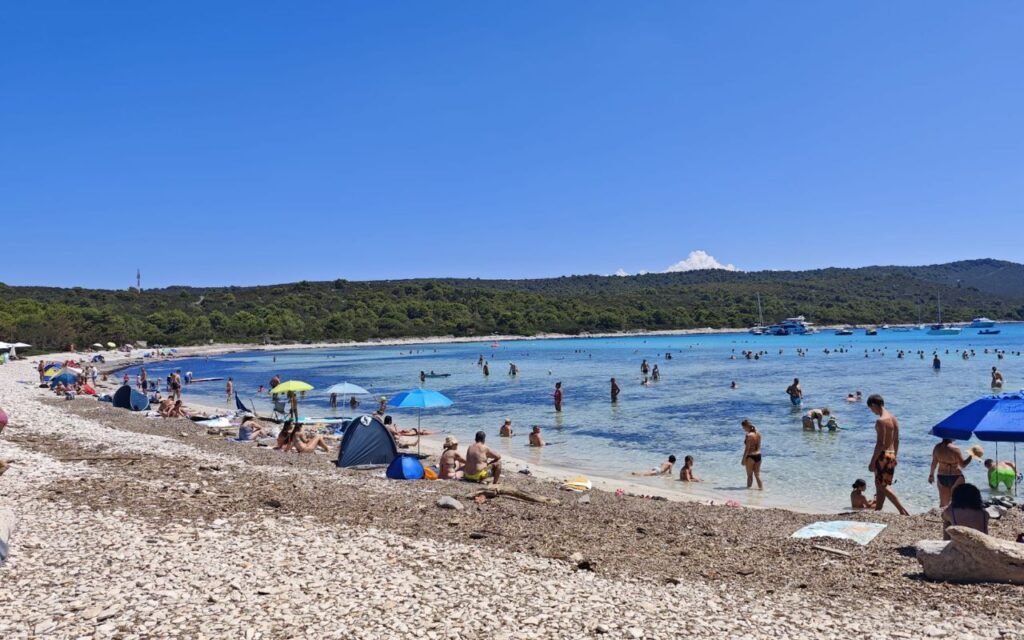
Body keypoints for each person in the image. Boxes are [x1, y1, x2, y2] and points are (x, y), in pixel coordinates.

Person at [867, 394, 910, 515]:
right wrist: (895, 456)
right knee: (881, 484)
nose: (872, 411)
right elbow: (896, 440)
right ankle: (878, 510)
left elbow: (880, 444)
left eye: (871, 408)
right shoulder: (893, 419)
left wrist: (872, 462)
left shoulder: (880, 421)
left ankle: (903, 510)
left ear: (874, 405)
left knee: (881, 485)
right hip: (891, 454)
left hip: (883, 455)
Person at [928, 438, 972, 507]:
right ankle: (956, 517)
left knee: (943, 504)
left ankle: (944, 517)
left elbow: (934, 463)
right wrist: (971, 456)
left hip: (942, 476)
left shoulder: (937, 447)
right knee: (957, 502)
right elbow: (963, 465)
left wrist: (931, 475)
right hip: (956, 476)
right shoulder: (955, 449)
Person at [741, 420, 763, 489]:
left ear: (746, 426)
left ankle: (748, 492)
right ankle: (761, 490)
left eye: (743, 427)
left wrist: (743, 459)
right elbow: (759, 446)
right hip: (758, 455)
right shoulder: (759, 434)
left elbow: (747, 449)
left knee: (749, 475)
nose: (743, 429)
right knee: (757, 475)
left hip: (750, 456)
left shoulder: (748, 435)